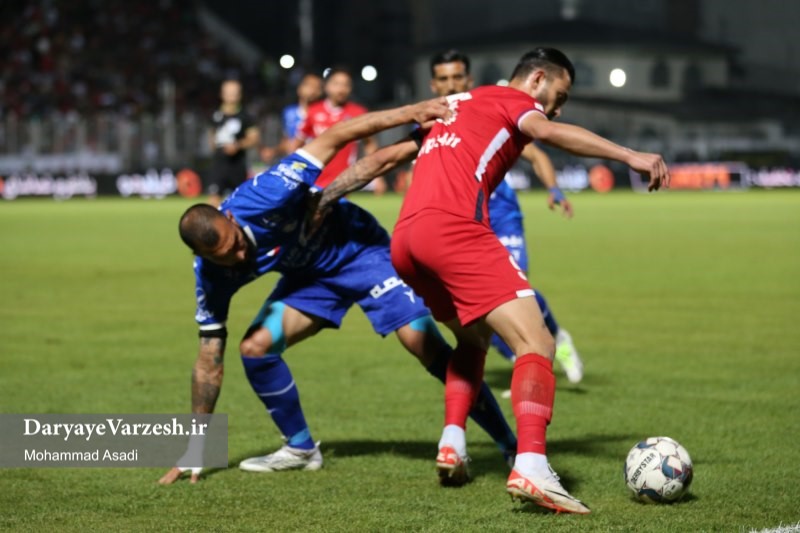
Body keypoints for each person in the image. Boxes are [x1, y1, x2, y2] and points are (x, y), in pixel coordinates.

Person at [316, 47, 669, 514]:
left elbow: (381, 160)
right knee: (537, 342)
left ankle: (452, 441)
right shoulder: (514, 101)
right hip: (453, 231)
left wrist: (322, 199)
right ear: (537, 79)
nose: (556, 108)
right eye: (559, 95)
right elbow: (548, 133)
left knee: (472, 340)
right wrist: (630, 155)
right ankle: (532, 466)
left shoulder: (455, 105)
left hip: (407, 241)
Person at [158, 97, 517, 485]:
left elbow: (338, 135)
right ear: (202, 256)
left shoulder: (265, 195)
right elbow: (208, 359)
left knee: (422, 343)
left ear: (230, 217)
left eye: (238, 243)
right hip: (311, 277)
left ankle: (509, 445)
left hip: (361, 252)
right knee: (255, 348)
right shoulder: (211, 277)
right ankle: (300, 449)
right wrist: (197, 446)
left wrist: (410, 115)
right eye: (227, 256)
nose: (241, 255)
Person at [430, 49, 584, 383]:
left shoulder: (492, 109)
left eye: (457, 77)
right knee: (474, 306)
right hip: (459, 223)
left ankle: (554, 340)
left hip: (500, 214)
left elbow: (537, 155)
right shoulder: (430, 122)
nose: (451, 84)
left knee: (512, 290)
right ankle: (523, 358)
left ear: (469, 80)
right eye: (443, 79)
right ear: (433, 85)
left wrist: (554, 188)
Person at [291, 67, 386, 192]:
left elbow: (370, 144)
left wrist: (377, 176)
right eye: (336, 84)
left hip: (343, 181)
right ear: (327, 86)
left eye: (345, 85)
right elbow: (297, 144)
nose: (341, 89)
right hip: (315, 179)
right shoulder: (313, 111)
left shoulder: (357, 113)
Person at [207, 79, 260, 207]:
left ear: (240, 94)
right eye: (229, 92)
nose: (231, 95)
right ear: (222, 94)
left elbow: (254, 138)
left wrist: (238, 145)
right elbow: (212, 136)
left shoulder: (246, 116)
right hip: (219, 164)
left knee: (240, 201)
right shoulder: (215, 115)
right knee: (213, 200)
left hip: (237, 165)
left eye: (234, 92)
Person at [260, 72, 323, 162]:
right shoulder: (289, 112)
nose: (311, 89)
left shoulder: (322, 114)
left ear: (320, 92)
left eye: (316, 87)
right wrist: (273, 151)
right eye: (308, 85)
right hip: (293, 162)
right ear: (299, 88)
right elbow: (287, 141)